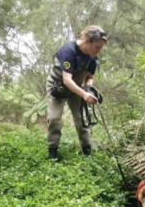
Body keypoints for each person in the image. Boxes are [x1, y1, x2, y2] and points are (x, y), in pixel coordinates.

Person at [46, 25, 107, 159]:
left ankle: (87, 152)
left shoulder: (93, 58)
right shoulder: (68, 50)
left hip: (78, 87)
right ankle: (52, 152)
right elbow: (67, 80)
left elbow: (90, 77)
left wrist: (88, 88)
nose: (99, 51)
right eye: (97, 47)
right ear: (87, 41)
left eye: (101, 48)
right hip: (58, 86)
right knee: (54, 118)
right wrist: (84, 94)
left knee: (82, 120)